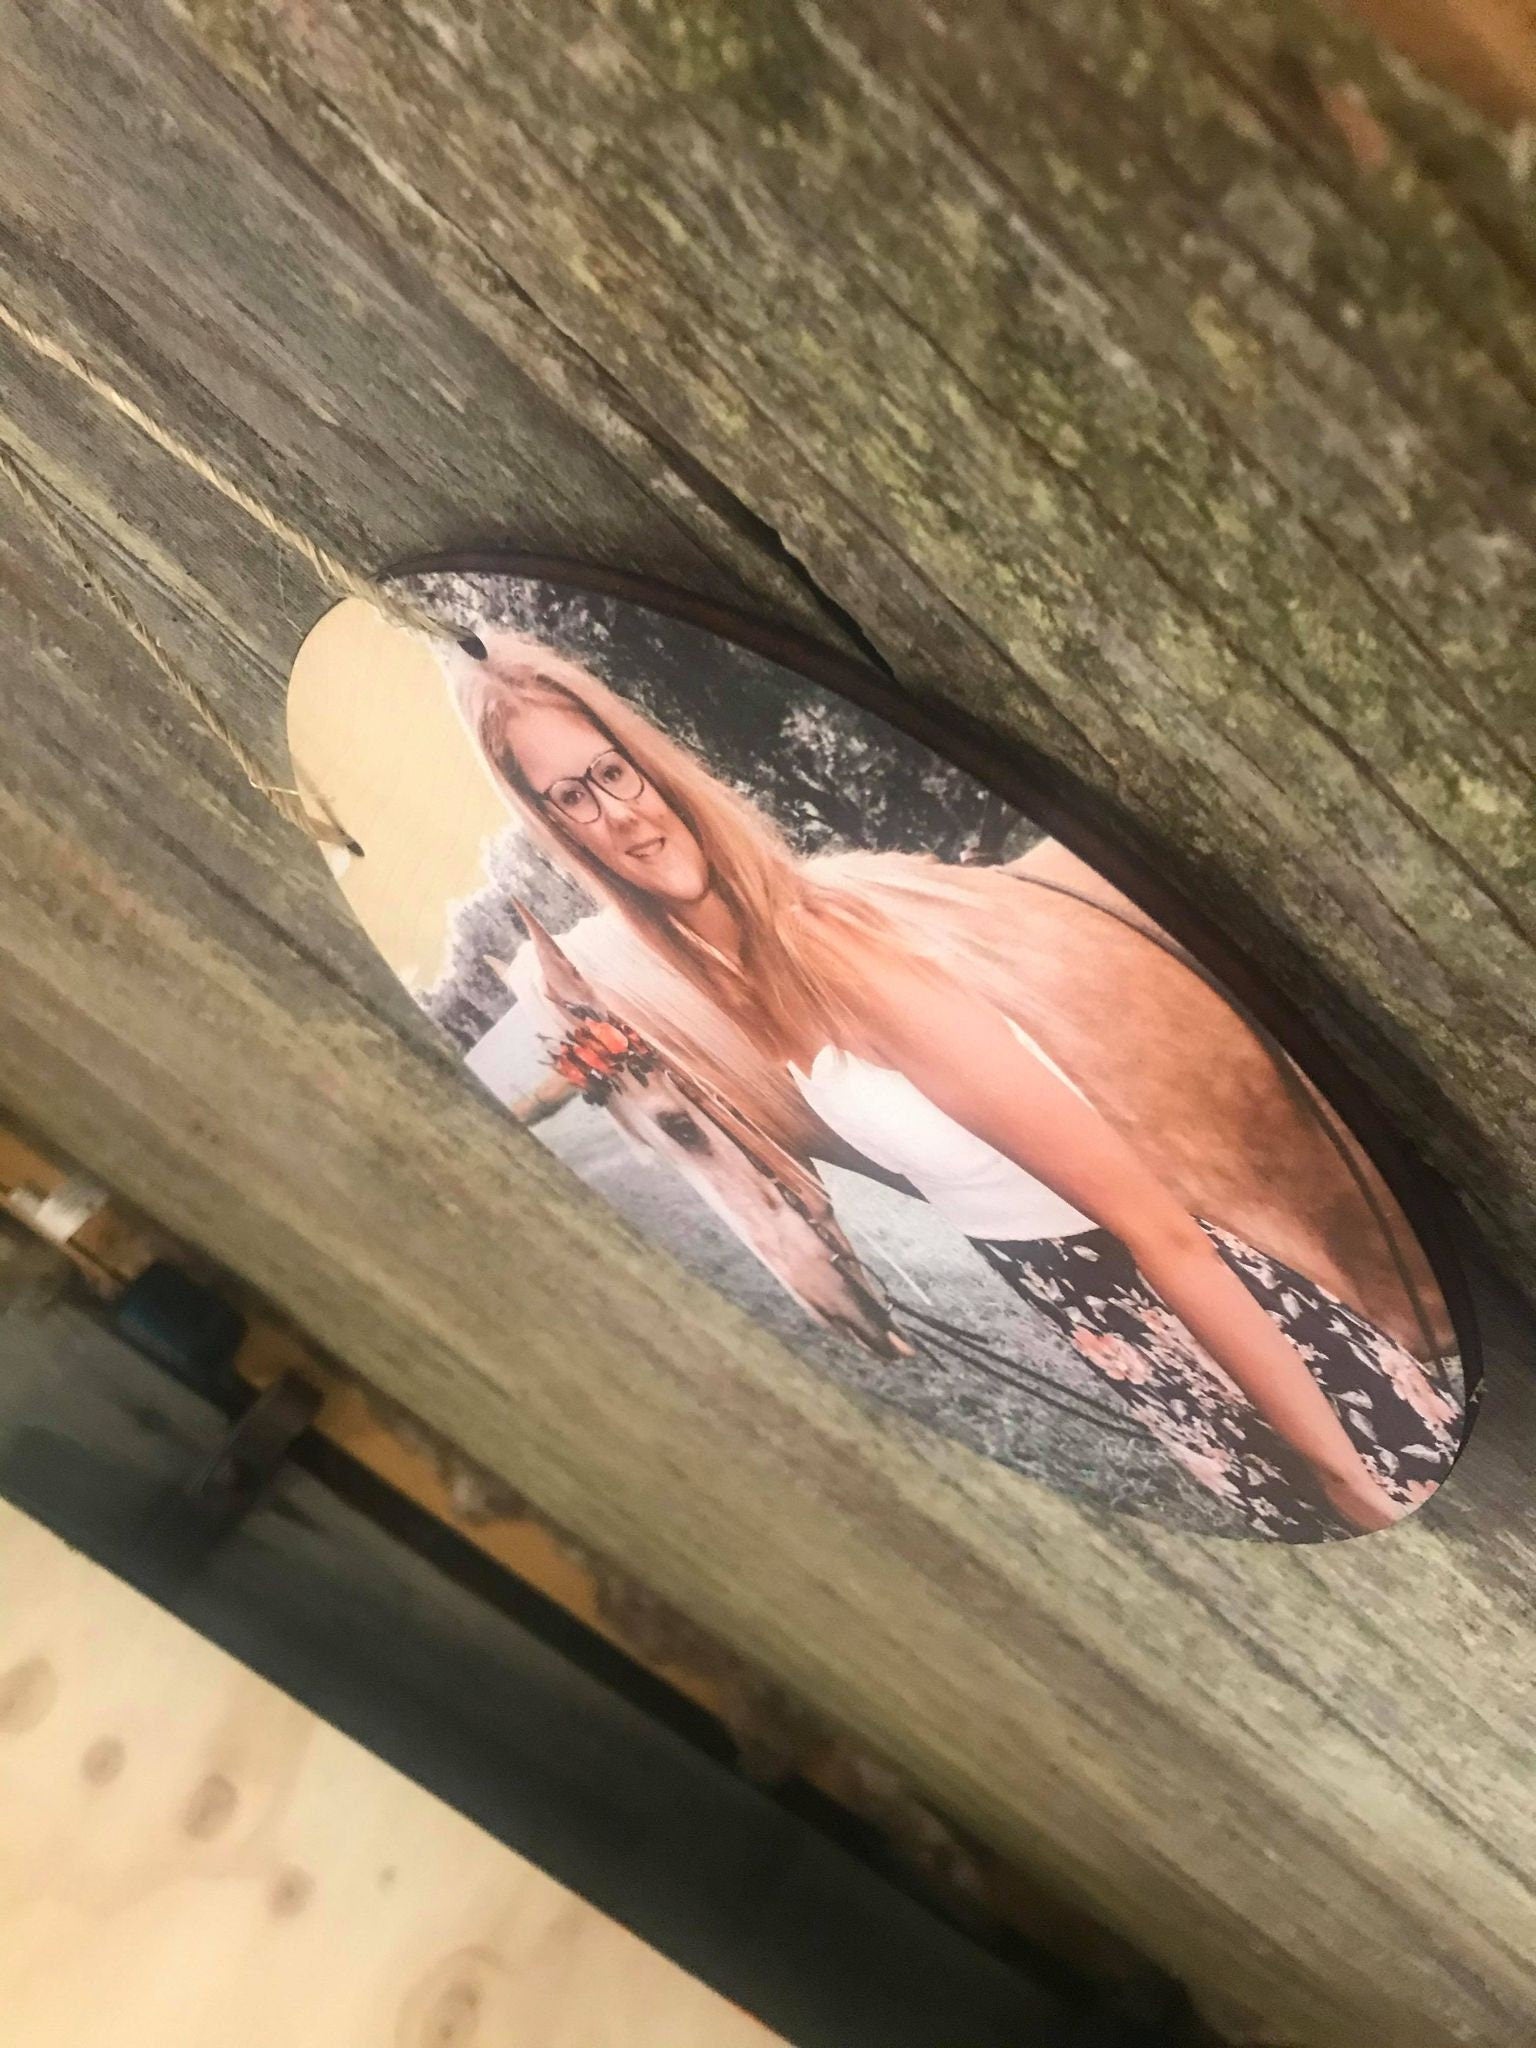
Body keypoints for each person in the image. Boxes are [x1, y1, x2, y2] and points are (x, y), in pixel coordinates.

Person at [446, 632, 1461, 1537]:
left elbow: (1161, 1232)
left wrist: (1346, 1476)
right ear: (556, 830)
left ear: (653, 768)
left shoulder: (845, 956)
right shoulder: (752, 983)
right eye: (570, 797)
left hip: (1227, 1340)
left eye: (613, 772)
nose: (618, 817)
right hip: (1145, 1355)